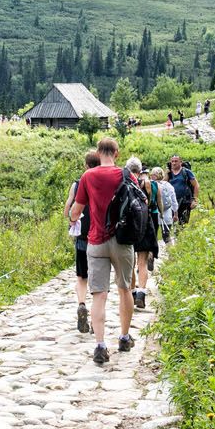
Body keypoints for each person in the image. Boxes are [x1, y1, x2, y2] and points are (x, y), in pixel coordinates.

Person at [69, 137, 136, 365]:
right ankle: (124, 337)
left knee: (99, 294)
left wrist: (73, 219)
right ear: (116, 153)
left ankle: (100, 345)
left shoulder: (88, 176)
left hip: (96, 242)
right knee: (125, 288)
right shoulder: (126, 174)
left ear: (98, 153)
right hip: (122, 240)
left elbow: (76, 210)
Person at [63, 150, 99, 334]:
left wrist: (71, 220)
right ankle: (95, 316)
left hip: (82, 237)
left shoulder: (77, 185)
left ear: (86, 165)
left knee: (81, 276)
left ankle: (81, 304)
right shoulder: (102, 183)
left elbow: (68, 207)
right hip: (99, 237)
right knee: (98, 280)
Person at [128, 157, 159, 309]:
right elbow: (149, 202)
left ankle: (133, 292)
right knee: (142, 262)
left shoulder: (124, 184)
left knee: (131, 263)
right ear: (140, 170)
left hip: (129, 227)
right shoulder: (146, 183)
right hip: (144, 224)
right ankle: (141, 292)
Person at [167, 154, 198, 232]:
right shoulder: (169, 173)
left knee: (183, 224)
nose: (174, 163)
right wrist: (166, 174)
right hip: (172, 202)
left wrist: (195, 200)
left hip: (185, 202)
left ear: (180, 162)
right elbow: (162, 184)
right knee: (170, 223)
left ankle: (179, 240)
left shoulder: (186, 172)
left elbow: (196, 185)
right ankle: (171, 240)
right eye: (172, 161)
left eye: (176, 161)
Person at [152, 166, 178, 245]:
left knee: (153, 236)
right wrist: (176, 214)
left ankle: (152, 256)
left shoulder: (151, 185)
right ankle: (172, 254)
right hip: (167, 213)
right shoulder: (168, 185)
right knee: (167, 236)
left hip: (154, 213)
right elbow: (174, 201)